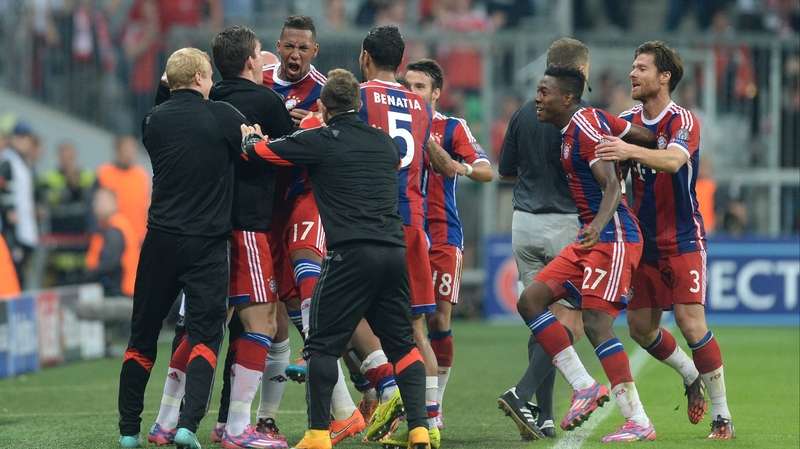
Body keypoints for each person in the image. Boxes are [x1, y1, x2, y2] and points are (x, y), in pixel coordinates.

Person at [241, 67, 432, 449]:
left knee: (321, 347)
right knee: (403, 345)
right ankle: (420, 430)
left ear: (325, 108)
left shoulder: (321, 140)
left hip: (350, 255)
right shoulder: (385, 144)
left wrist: (251, 138)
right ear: (359, 105)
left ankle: (316, 435)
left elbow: (260, 153)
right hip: (393, 253)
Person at [147, 26, 295, 449]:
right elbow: (286, 159)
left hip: (201, 227)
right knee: (263, 320)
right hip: (247, 224)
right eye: (261, 53)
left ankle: (163, 421)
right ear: (252, 61)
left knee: (203, 326)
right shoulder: (265, 101)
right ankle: (235, 428)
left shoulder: (208, 102)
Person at [595, 40, 735, 439]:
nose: (632, 74)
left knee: (692, 325)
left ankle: (722, 416)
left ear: (664, 76)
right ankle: (691, 373)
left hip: (684, 239)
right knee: (640, 329)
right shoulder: (625, 120)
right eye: (632, 66)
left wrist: (628, 150)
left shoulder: (682, 120)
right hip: (643, 242)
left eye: (641, 68)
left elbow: (674, 160)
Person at [514, 64, 657, 443]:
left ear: (566, 97)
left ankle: (638, 418)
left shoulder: (585, 127)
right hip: (590, 237)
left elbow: (610, 185)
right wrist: (642, 142)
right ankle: (584, 387)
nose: (537, 99)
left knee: (596, 324)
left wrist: (597, 224)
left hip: (612, 236)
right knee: (531, 301)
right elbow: (643, 134)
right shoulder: (576, 127)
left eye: (544, 92)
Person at [117, 47, 248, 449]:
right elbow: (253, 146)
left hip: (159, 242)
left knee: (141, 338)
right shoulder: (224, 116)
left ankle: (128, 432)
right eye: (208, 76)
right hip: (206, 245)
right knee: (206, 337)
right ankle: (188, 425)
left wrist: (167, 86)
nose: (212, 83)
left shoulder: (153, 122)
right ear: (197, 78)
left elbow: (165, 108)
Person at [261, 16, 366, 445]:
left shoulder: (325, 92)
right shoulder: (262, 81)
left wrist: (316, 125)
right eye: (288, 46)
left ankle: (380, 380)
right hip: (268, 204)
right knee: (281, 307)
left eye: (303, 49)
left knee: (308, 269)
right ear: (279, 45)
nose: (294, 55)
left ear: (314, 51)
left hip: (309, 195)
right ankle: (345, 409)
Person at [496, 38, 591, 440]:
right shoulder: (579, 117)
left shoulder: (522, 113)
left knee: (541, 320)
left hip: (524, 224)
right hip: (565, 225)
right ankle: (521, 393)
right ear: (579, 73)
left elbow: (505, 170)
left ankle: (545, 416)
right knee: (572, 320)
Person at [356, 25, 440, 448]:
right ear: (401, 62)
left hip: (369, 220)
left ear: (365, 56)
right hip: (412, 221)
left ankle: (379, 389)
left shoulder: (359, 97)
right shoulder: (419, 105)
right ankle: (430, 421)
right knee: (413, 328)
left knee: (341, 311)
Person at [402, 58, 493, 432]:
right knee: (402, 323)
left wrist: (463, 167)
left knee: (437, 321)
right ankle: (387, 398)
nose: (411, 92)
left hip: (441, 237)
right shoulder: (393, 120)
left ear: (437, 93)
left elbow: (487, 169)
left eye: (420, 87)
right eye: (407, 85)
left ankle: (433, 407)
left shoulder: (451, 127)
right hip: (403, 233)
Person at [0, 121, 39, 286]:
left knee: (22, 273)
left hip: (24, 228)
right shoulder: (8, 161)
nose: (25, 142)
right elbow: (3, 187)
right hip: (12, 229)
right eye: (22, 137)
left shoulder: (24, 163)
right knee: (14, 272)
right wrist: (9, 210)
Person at [85, 188, 140, 297]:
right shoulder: (114, 225)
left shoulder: (115, 229)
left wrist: (90, 274)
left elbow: (110, 262)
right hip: (127, 288)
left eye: (100, 201)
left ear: (113, 203)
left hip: (123, 290)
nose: (96, 205)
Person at [96, 136, 150, 243]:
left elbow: (147, 205)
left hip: (137, 237)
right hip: (111, 235)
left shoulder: (141, 175)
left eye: (132, 150)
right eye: (126, 149)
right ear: (117, 150)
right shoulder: (105, 173)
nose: (129, 154)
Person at [40, 140, 95, 233]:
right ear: (58, 158)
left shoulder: (87, 176)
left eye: (70, 157)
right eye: (64, 157)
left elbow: (90, 200)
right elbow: (48, 201)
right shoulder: (49, 177)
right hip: (58, 230)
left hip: (83, 230)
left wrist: (75, 184)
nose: (67, 161)